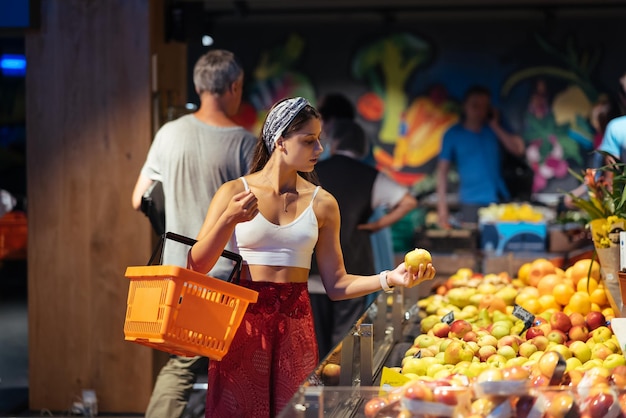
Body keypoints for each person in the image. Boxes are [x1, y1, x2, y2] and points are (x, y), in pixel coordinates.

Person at [187, 97, 436, 418]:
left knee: (295, 411)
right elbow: (196, 265)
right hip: (243, 322)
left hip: (296, 324)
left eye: (319, 138)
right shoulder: (233, 192)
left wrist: (391, 278)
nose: (319, 148)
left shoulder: (323, 203)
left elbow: (337, 283)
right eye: (308, 140)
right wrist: (228, 219)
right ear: (279, 141)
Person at [131, 49, 256, 418]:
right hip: (226, 274)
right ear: (234, 87)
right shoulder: (244, 143)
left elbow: (138, 199)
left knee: (181, 365)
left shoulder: (168, 133)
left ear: (198, 86)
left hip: (178, 272)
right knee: (235, 369)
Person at [309, 119, 418, 358]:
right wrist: (377, 225)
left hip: (310, 271)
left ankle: (311, 392)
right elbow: (408, 201)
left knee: (313, 348)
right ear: (363, 149)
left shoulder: (310, 172)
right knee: (342, 349)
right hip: (351, 274)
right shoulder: (370, 176)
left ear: (333, 143)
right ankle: (337, 391)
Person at [436, 85, 525, 227]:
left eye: (484, 106)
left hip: (498, 198)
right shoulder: (453, 134)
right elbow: (442, 171)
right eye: (475, 105)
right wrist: (442, 208)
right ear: (465, 106)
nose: (479, 111)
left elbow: (519, 150)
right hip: (471, 201)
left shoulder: (493, 130)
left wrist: (495, 125)